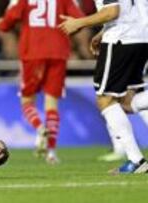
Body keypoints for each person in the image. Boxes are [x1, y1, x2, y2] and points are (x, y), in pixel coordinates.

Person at [59, 0, 148, 173]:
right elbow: (128, 10)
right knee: (126, 102)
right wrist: (104, 30)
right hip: (142, 38)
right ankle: (136, 162)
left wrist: (79, 23)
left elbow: (112, 11)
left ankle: (136, 161)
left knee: (105, 99)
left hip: (122, 39)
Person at [0, 0, 84, 164]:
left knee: (27, 100)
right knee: (52, 104)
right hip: (58, 51)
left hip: (32, 51)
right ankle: (51, 152)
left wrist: (2, 25)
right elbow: (79, 20)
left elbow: (11, 17)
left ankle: (40, 128)